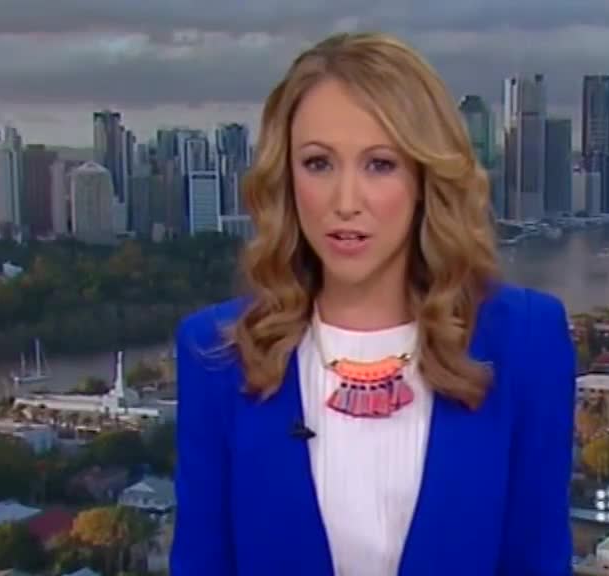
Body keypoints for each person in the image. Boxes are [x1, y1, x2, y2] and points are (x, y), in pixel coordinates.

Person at [171, 31, 576, 576]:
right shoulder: (217, 353)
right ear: (286, 177)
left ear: (424, 177)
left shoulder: (528, 340)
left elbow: (537, 560)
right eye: (318, 163)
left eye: (380, 164)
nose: (345, 202)